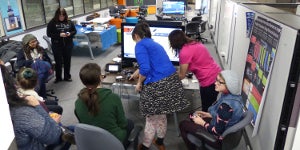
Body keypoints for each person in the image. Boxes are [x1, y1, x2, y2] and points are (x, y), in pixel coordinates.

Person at [131, 22, 189, 150]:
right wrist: (137, 72)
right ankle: (160, 141)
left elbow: (145, 69)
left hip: (158, 85)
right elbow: (152, 63)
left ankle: (145, 146)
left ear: (136, 36)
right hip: (171, 82)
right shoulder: (155, 44)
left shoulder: (140, 45)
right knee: (162, 115)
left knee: (151, 118)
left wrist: (139, 82)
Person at [0, 64, 74, 150]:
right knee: (71, 129)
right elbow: (53, 135)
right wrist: (39, 107)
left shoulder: (18, 101)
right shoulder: (23, 112)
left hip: (31, 134)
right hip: (44, 137)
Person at [179, 70, 244, 150]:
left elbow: (216, 131)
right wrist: (208, 114)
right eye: (216, 80)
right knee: (193, 115)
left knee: (183, 124)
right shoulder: (235, 97)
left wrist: (202, 123)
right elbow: (226, 118)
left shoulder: (226, 107)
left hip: (219, 140)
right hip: (225, 131)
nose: (215, 83)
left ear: (229, 85)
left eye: (219, 82)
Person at [74, 63, 134, 148]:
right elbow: (123, 124)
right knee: (130, 123)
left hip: (91, 140)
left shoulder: (78, 102)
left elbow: (83, 122)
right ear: (100, 78)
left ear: (83, 81)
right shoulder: (113, 98)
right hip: (113, 142)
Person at [168, 30, 222, 112]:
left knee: (207, 107)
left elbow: (182, 75)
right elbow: (192, 64)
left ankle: (206, 122)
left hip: (208, 80)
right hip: (216, 74)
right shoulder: (195, 43)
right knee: (210, 103)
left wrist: (168, 79)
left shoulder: (184, 52)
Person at [16, 34, 52, 99]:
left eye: (35, 41)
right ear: (26, 43)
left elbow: (48, 60)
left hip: (44, 70)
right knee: (40, 77)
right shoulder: (22, 52)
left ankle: (38, 96)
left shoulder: (40, 49)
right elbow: (19, 63)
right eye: (32, 42)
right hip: (31, 72)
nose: (34, 43)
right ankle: (43, 97)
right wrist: (31, 61)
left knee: (39, 67)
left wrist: (41, 59)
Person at [47, 8, 76, 83]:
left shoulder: (69, 22)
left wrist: (70, 34)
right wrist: (59, 35)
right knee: (58, 62)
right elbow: (49, 34)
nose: (62, 17)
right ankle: (58, 77)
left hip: (68, 44)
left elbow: (74, 31)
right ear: (57, 15)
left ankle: (67, 76)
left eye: (63, 15)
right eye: (60, 16)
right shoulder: (52, 22)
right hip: (57, 45)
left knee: (67, 61)